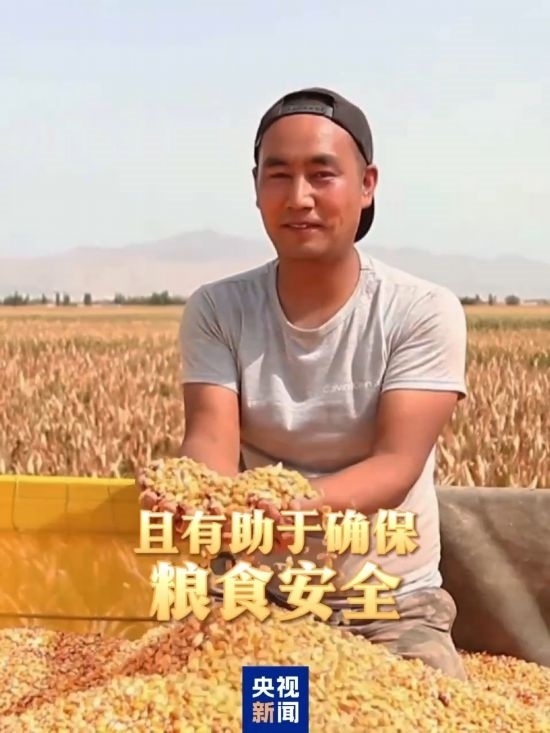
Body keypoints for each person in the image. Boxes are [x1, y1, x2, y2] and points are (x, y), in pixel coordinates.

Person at [146, 87, 469, 680]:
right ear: (256, 188)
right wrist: (192, 494)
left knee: (416, 711)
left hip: (388, 602)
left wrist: (289, 508)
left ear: (367, 184)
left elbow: (396, 466)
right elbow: (211, 440)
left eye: (322, 175)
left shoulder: (420, 310)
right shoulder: (219, 309)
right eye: (279, 175)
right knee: (229, 709)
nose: (299, 198)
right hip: (259, 596)